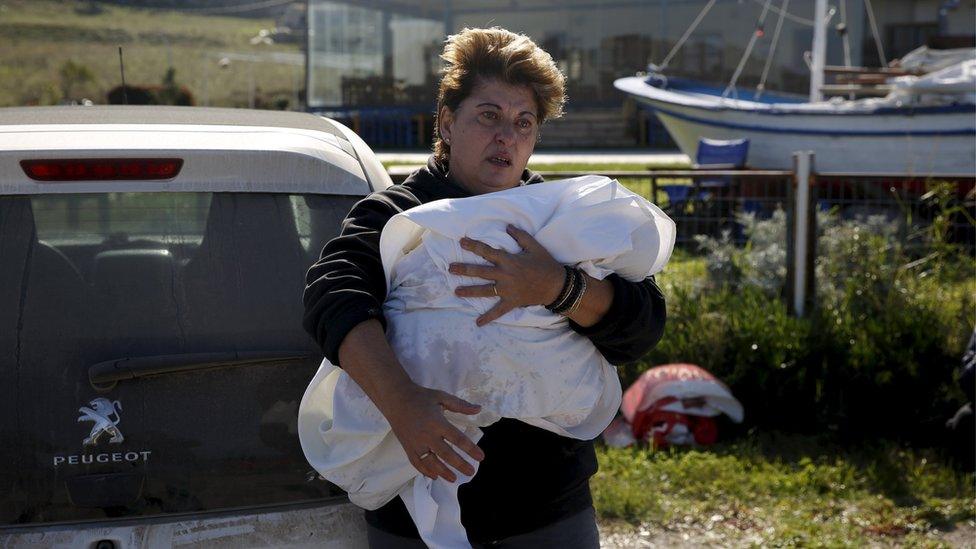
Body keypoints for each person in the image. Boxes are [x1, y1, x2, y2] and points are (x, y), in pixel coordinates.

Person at [303, 27, 666, 548]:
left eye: (524, 123)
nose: (507, 138)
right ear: (448, 122)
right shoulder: (396, 214)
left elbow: (643, 326)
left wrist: (557, 287)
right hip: (411, 511)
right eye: (489, 116)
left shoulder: (560, 221)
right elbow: (332, 296)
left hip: (547, 510)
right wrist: (402, 403)